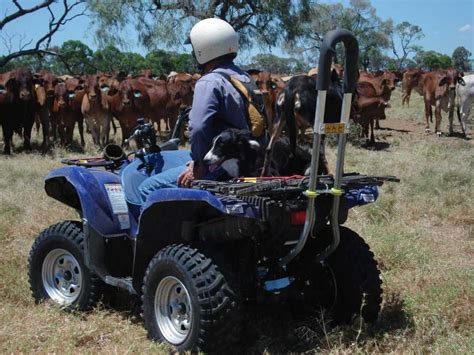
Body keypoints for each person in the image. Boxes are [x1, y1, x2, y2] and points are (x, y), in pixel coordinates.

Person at [138, 18, 251, 203]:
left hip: (220, 167)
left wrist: (199, 165)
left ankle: (149, 232)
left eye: (194, 48)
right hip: (246, 161)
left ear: (204, 48)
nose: (192, 53)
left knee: (147, 188)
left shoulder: (209, 81)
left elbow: (198, 128)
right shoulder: (246, 79)